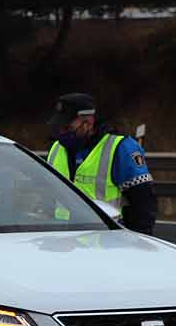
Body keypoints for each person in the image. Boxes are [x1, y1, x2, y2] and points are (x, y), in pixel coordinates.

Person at [44, 92, 157, 234]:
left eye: (68, 128)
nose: (62, 132)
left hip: (106, 241)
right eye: (60, 127)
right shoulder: (56, 148)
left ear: (88, 123)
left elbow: (143, 204)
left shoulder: (120, 148)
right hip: (63, 241)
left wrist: (137, 245)